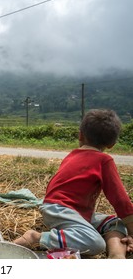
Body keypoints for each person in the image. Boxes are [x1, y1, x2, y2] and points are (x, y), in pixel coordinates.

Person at [14, 109, 133, 259]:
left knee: (114, 222)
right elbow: (120, 200)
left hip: (68, 210)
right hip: (61, 210)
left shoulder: (72, 155)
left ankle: (116, 256)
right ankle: (36, 238)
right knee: (96, 243)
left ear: (80, 135)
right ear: (112, 145)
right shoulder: (104, 160)